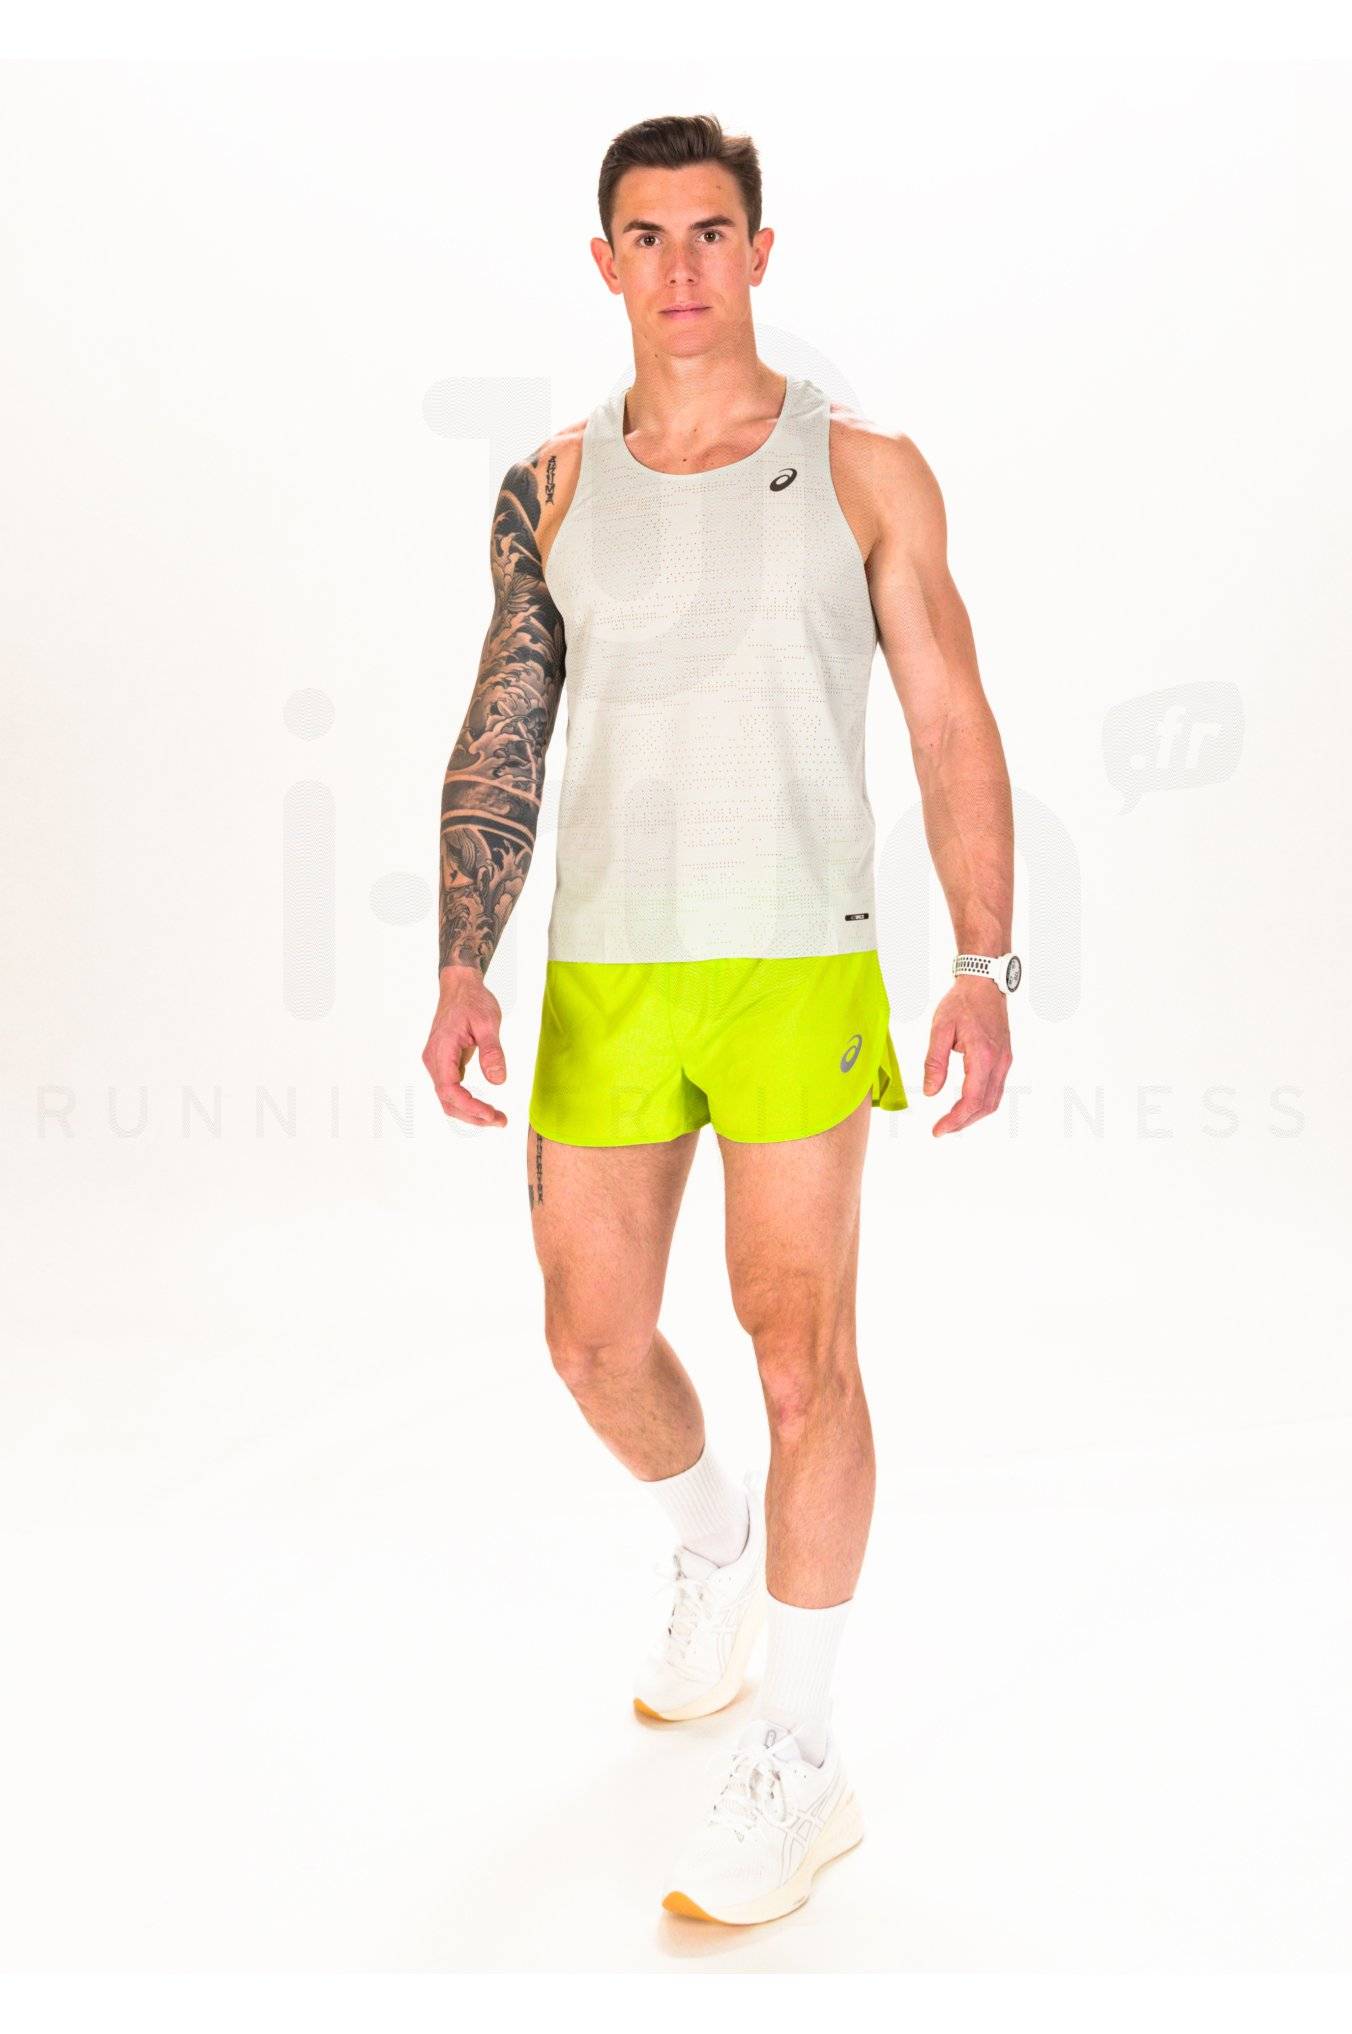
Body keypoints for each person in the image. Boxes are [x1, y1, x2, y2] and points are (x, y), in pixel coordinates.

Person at [422, 113, 1017, 1926]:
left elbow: (947, 717)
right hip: (608, 963)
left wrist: (984, 962)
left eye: (709, 231)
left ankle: (803, 1751)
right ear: (604, 264)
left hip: (795, 959)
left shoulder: (865, 472)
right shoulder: (550, 485)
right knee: (592, 1340)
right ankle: (713, 1546)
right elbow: (507, 723)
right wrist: (461, 956)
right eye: (646, 235)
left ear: (759, 252)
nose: (679, 265)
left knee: (798, 1349)